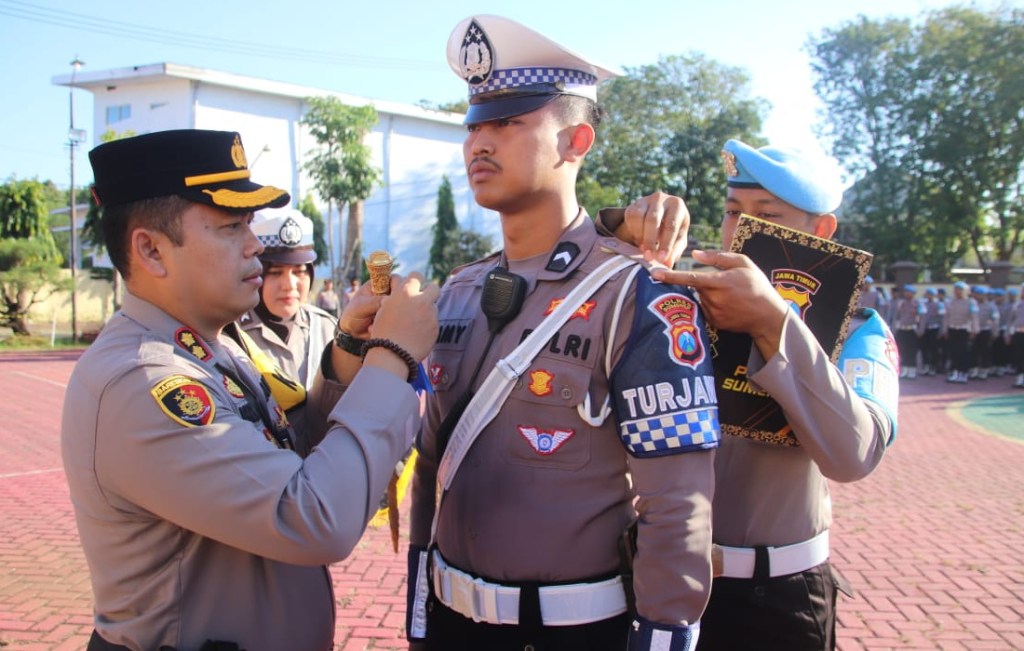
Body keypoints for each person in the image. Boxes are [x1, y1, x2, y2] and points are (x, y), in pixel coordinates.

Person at [406, 15, 718, 651]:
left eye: (508, 123)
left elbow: (678, 504)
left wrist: (662, 638)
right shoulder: (457, 291)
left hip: (573, 631)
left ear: (577, 140)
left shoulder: (635, 291)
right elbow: (430, 468)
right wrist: (418, 615)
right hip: (450, 620)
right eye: (474, 125)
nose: (479, 144)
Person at [61, 129, 440, 651]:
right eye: (231, 226)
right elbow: (311, 517)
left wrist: (352, 346)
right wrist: (392, 356)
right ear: (150, 250)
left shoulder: (208, 347)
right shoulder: (145, 380)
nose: (255, 244)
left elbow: (298, 457)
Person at [646, 139, 899, 650]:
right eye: (733, 212)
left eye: (769, 215)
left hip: (777, 597)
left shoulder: (858, 331)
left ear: (821, 230)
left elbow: (854, 455)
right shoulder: (683, 311)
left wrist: (775, 326)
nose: (743, 230)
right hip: (666, 580)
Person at [943, 281, 978, 383]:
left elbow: (974, 317)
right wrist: (945, 329)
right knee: (953, 352)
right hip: (953, 329)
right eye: (956, 289)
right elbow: (946, 317)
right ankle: (954, 372)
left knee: (963, 352)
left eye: (960, 290)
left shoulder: (971, 302)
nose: (958, 292)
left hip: (964, 330)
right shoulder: (950, 302)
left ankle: (963, 373)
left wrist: (974, 330)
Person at [891, 284, 924, 379]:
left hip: (912, 329)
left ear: (913, 294)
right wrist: (894, 330)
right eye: (906, 292)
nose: (907, 294)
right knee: (902, 349)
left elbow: (922, 318)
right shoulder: (901, 303)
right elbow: (896, 317)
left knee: (912, 350)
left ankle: (912, 369)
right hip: (902, 329)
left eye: (909, 292)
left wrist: (920, 330)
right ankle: (904, 368)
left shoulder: (918, 304)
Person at [920, 287, 945, 376]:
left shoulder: (939, 304)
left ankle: (933, 367)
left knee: (934, 349)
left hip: (934, 329)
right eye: (928, 294)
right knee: (924, 349)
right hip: (925, 329)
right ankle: (925, 366)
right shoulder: (923, 304)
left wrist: (941, 331)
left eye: (931, 294)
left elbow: (942, 319)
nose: (929, 296)